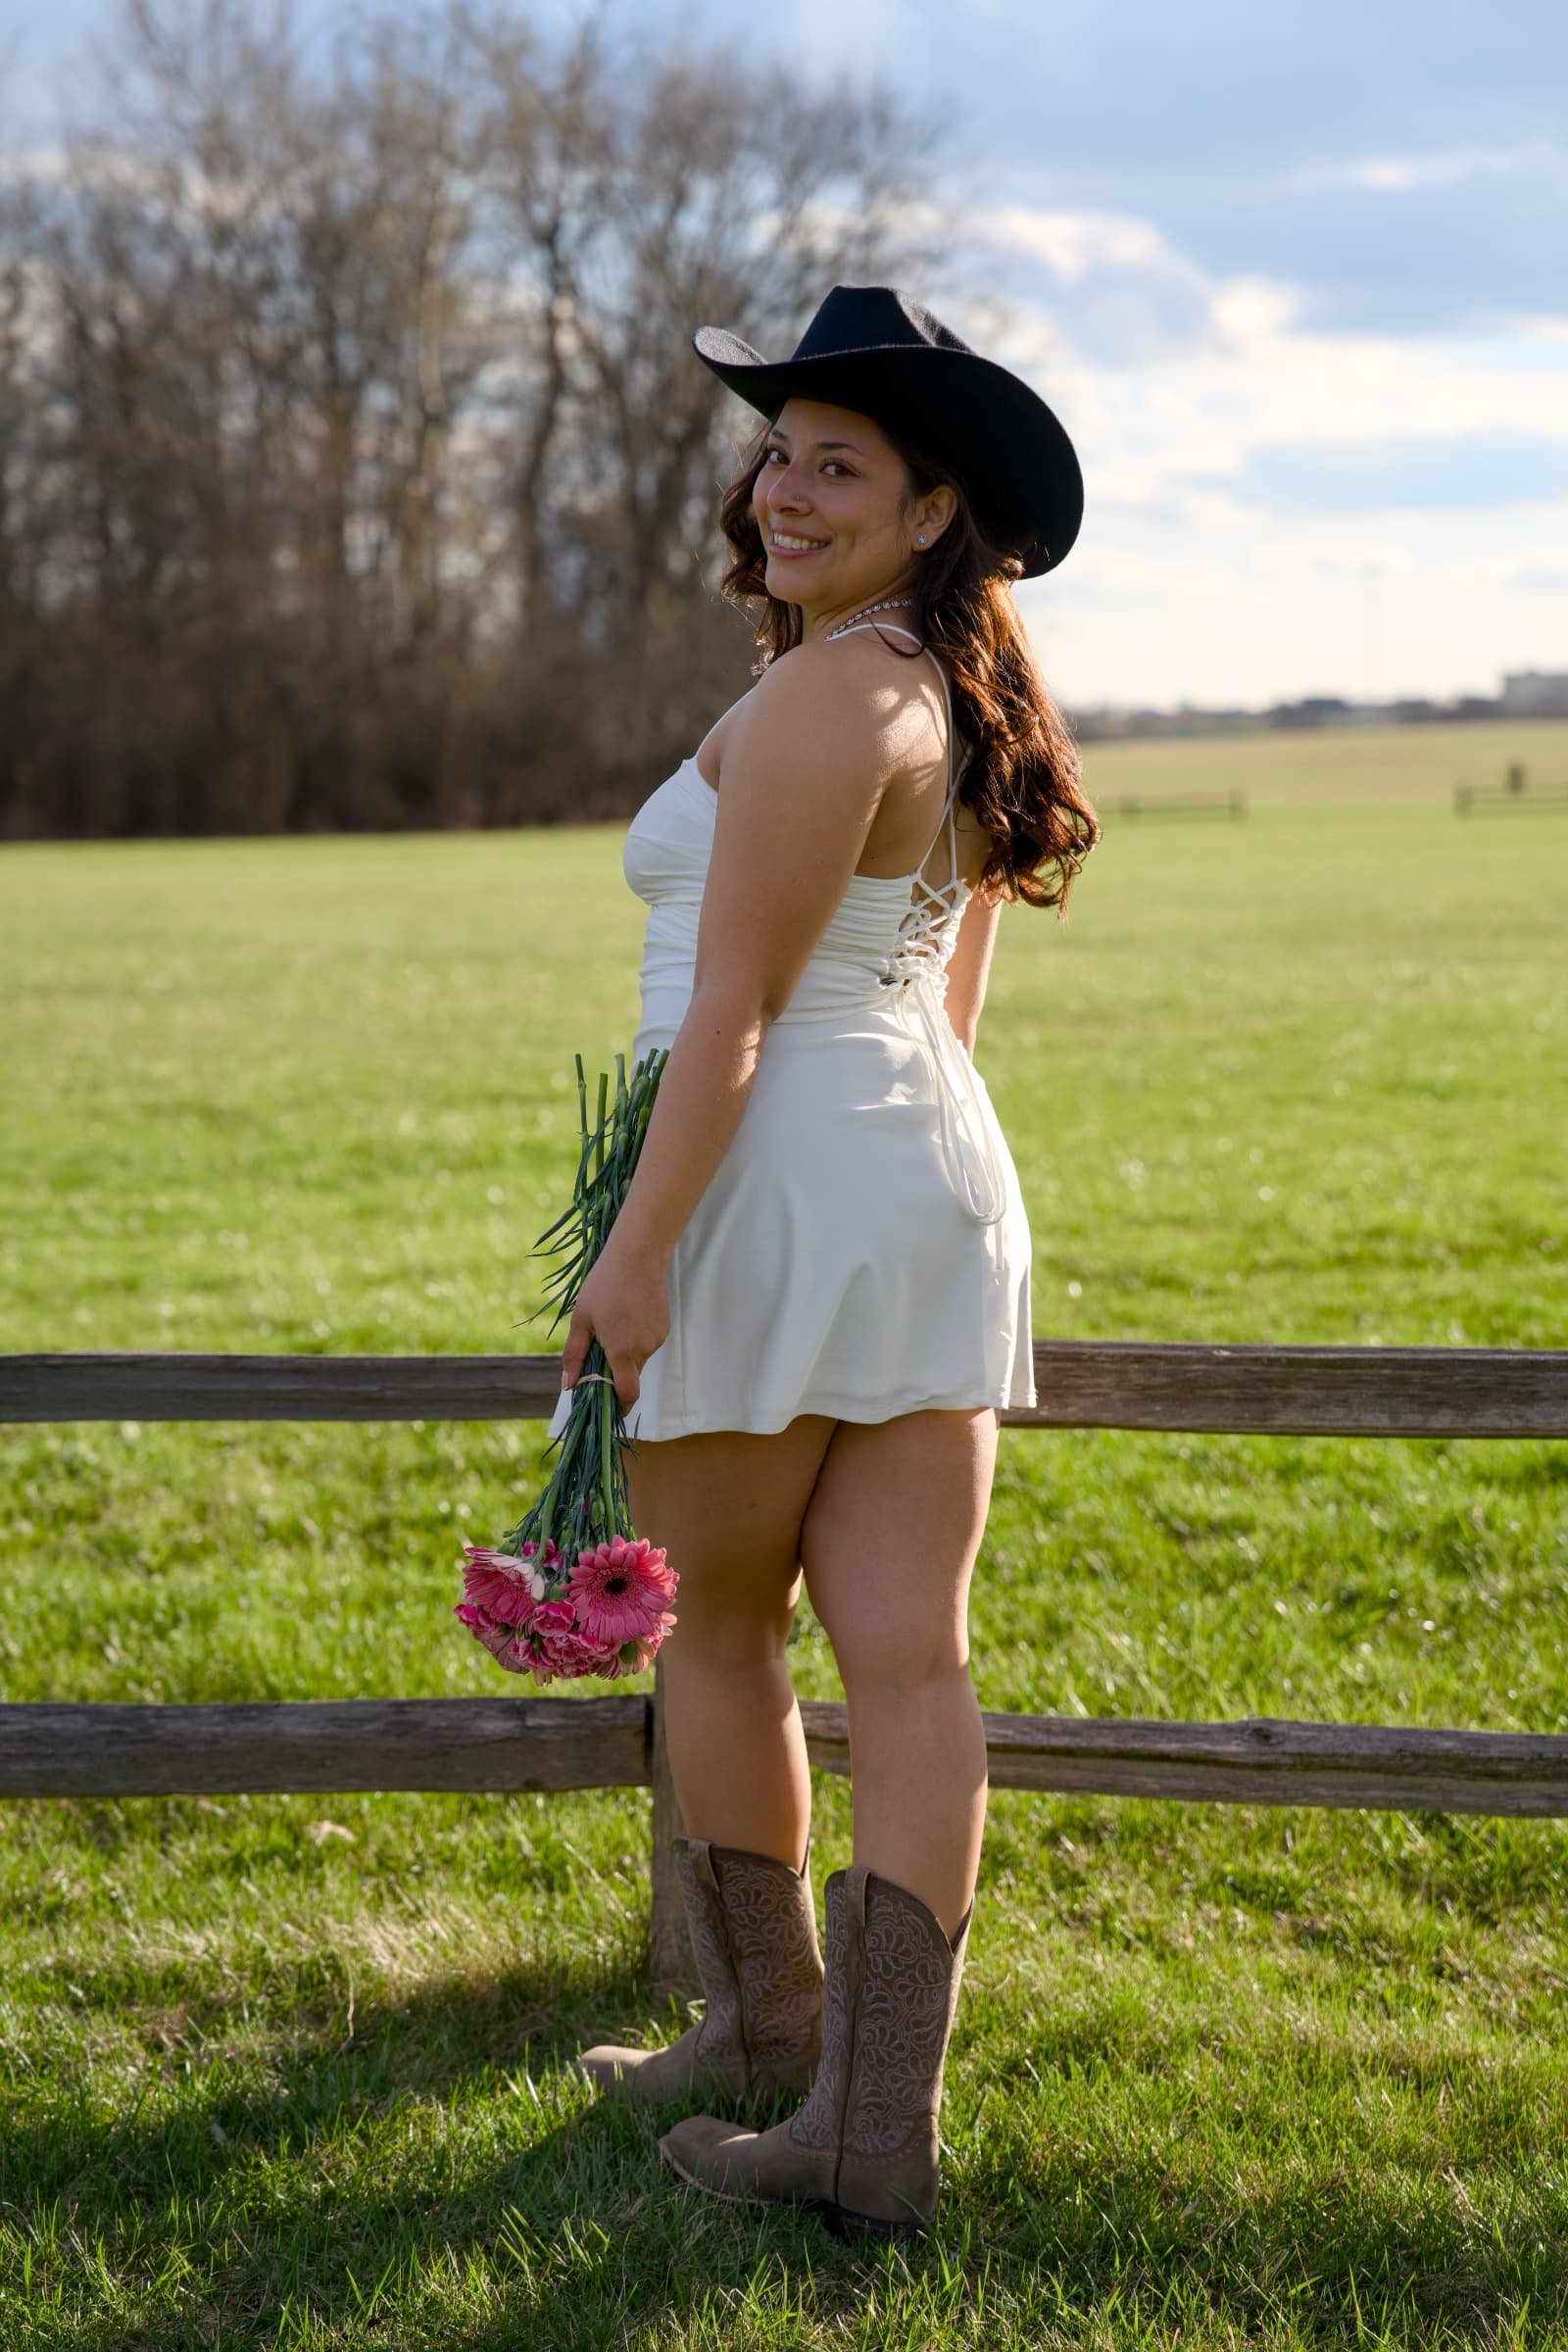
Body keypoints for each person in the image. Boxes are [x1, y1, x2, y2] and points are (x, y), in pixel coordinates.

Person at [553, 284, 1098, 2233]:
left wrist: (633, 1258)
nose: (781, 486)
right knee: (913, 1657)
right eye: (777, 448)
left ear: (931, 505)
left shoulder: (818, 692)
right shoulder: (956, 694)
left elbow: (734, 1021)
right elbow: (944, 992)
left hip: (774, 1171)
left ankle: (771, 2037)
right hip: (929, 1171)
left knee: (719, 1625)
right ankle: (869, 2128)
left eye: (833, 462)